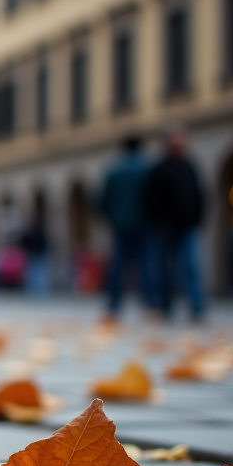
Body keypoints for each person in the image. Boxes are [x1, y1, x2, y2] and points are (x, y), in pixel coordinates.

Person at [142, 125, 206, 322]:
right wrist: (159, 221)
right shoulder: (159, 169)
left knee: (191, 266)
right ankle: (166, 306)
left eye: (182, 141)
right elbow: (149, 199)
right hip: (165, 228)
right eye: (175, 142)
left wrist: (198, 218)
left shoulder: (189, 167)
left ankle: (197, 308)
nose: (179, 145)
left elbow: (199, 195)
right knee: (165, 268)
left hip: (187, 225)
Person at [98, 135, 150, 321]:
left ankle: (113, 306)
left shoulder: (115, 171)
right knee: (145, 264)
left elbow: (102, 200)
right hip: (144, 224)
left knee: (118, 265)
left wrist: (112, 216)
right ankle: (150, 305)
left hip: (120, 224)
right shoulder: (147, 169)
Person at [19, 215, 50, 298]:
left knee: (35, 274)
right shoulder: (40, 232)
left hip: (35, 254)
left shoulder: (32, 232)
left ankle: (36, 292)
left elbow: (24, 242)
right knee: (38, 274)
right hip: (37, 253)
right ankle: (39, 292)